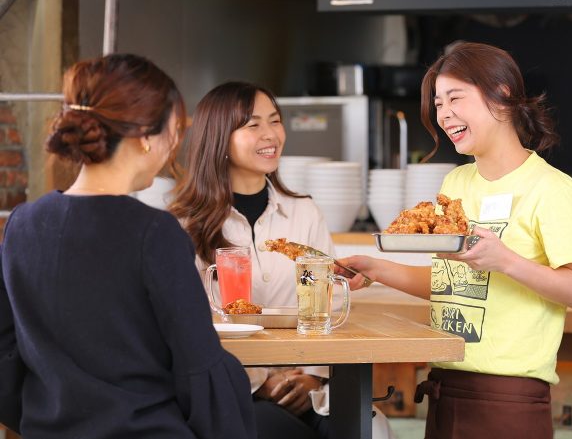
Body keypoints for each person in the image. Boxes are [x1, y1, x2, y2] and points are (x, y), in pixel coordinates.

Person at [337, 42, 572, 439]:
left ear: (502, 94)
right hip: (445, 385)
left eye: (455, 98)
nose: (444, 113)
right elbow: (452, 285)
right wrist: (376, 269)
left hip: (509, 397)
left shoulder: (552, 189)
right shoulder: (455, 183)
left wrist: (505, 260)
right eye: (438, 103)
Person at [0, 54, 256, 439]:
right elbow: (198, 366)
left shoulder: (21, 225)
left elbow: (6, 352)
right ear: (146, 137)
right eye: (174, 130)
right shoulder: (155, 233)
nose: (174, 145)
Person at [170, 81, 395, 439]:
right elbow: (185, 328)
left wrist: (312, 376)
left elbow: (330, 303)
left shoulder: (304, 211)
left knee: (373, 429)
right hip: (232, 388)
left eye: (275, 121)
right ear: (219, 138)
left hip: (309, 385)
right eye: (253, 125)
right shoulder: (183, 223)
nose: (270, 134)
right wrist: (261, 381)